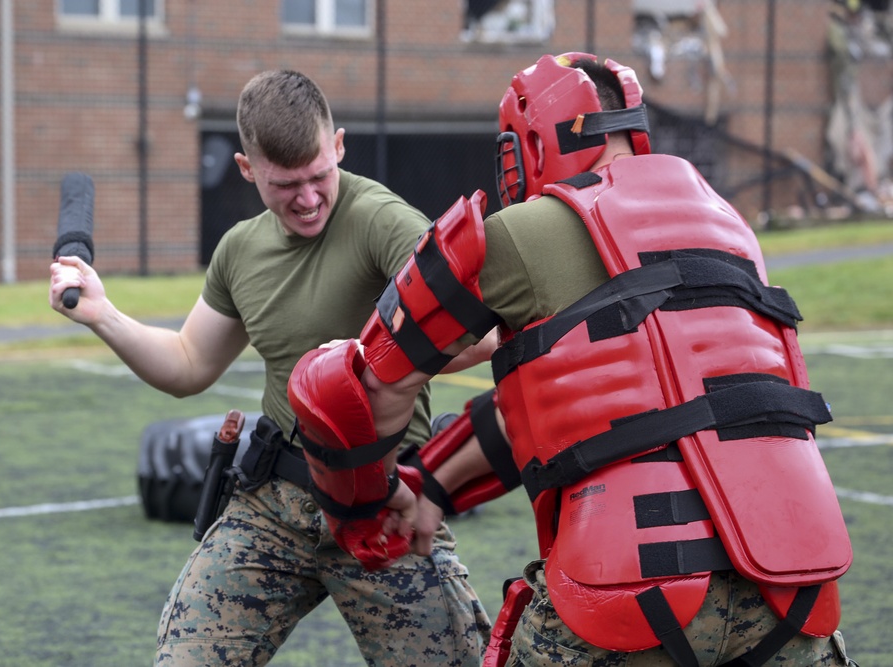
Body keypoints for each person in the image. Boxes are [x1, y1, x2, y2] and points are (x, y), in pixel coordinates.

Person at [286, 54, 858, 666]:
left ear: (531, 143)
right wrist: (434, 482)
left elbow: (370, 385)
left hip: (629, 583)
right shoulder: (731, 228)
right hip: (790, 591)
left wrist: (364, 508)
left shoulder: (521, 233)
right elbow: (599, 405)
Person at [49, 69, 492, 667]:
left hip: (381, 503)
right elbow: (187, 365)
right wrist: (103, 314)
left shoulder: (380, 219)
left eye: (318, 176)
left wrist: (364, 360)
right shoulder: (240, 249)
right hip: (273, 503)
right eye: (286, 185)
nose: (308, 199)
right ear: (246, 169)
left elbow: (477, 329)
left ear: (338, 145)